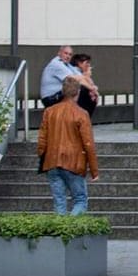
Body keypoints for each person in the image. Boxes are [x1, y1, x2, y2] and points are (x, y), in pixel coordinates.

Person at [36, 77, 99, 215]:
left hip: (51, 161)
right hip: (74, 162)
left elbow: (42, 139)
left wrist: (42, 155)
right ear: (78, 92)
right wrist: (94, 170)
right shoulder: (81, 114)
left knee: (59, 201)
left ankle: (61, 231)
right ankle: (71, 229)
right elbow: (88, 143)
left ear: (63, 91)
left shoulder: (49, 111)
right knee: (80, 199)